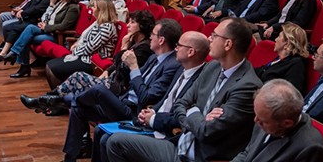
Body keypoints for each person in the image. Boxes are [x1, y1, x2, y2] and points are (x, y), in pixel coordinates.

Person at [108, 18, 262, 162]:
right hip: (181, 144)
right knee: (114, 141)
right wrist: (197, 114)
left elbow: (206, 132)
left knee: (115, 142)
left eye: (214, 36)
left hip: (200, 156)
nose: (209, 39)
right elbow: (181, 103)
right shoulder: (213, 67)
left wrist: (193, 111)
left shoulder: (247, 86)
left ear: (228, 44)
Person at [58, 19, 182, 162]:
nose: (150, 37)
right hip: (122, 101)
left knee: (98, 90)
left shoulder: (172, 65)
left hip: (135, 112)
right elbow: (128, 79)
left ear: (161, 40)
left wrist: (134, 67)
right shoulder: (154, 57)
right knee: (78, 109)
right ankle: (70, 158)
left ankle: (66, 99)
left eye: (153, 34)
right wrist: (124, 60)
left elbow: (146, 98)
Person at [20, 10, 156, 117]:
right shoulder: (134, 41)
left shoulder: (143, 48)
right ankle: (47, 101)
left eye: (132, 22)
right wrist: (107, 71)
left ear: (142, 26)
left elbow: (124, 69)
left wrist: (124, 47)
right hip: (113, 80)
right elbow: (116, 64)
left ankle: (46, 102)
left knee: (78, 78)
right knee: (77, 80)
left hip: (121, 89)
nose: (128, 25)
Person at [101, 31, 209, 161]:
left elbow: (182, 116)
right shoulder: (180, 68)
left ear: (190, 52)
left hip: (168, 132)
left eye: (179, 45)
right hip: (152, 119)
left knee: (111, 141)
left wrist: (153, 118)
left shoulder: (202, 80)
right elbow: (166, 99)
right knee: (102, 135)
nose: (176, 48)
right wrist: (153, 110)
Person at [230, 79, 323, 162]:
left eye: (263, 121)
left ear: (287, 123)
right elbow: (247, 154)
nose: (256, 120)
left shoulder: (310, 148)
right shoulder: (264, 116)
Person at [5, 0, 81, 78]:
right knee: (28, 29)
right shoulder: (60, 3)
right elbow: (50, 16)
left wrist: (46, 27)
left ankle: (20, 61)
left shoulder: (73, 8)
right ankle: (17, 58)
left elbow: (64, 26)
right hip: (47, 29)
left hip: (55, 35)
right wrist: (44, 22)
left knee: (26, 35)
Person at [44, 0, 119, 88]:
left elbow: (90, 47)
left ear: (101, 11)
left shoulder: (107, 27)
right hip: (84, 56)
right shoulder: (98, 23)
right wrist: (76, 45)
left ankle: (58, 95)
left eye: (94, 7)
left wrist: (75, 51)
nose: (92, 9)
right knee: (49, 65)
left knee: (52, 68)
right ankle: (58, 94)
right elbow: (85, 40)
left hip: (92, 62)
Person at [254, 23, 310, 95]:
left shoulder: (296, 65)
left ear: (287, 43)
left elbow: (291, 95)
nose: (275, 39)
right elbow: (261, 71)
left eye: (279, 37)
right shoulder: (280, 59)